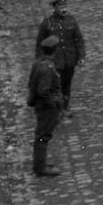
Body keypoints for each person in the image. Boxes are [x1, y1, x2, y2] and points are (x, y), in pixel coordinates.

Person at [27, 35, 66, 178]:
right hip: (47, 109)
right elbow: (43, 91)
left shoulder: (38, 63)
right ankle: (40, 167)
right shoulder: (48, 68)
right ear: (54, 51)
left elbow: (31, 83)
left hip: (41, 107)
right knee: (43, 136)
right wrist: (54, 103)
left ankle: (40, 163)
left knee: (42, 135)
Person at [36, 0, 85, 108]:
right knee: (55, 85)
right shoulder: (47, 23)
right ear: (55, 8)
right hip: (54, 61)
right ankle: (56, 107)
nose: (64, 9)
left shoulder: (71, 21)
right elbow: (40, 44)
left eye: (65, 6)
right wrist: (40, 61)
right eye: (61, 6)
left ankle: (65, 107)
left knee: (66, 84)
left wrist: (81, 56)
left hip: (69, 60)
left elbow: (79, 40)